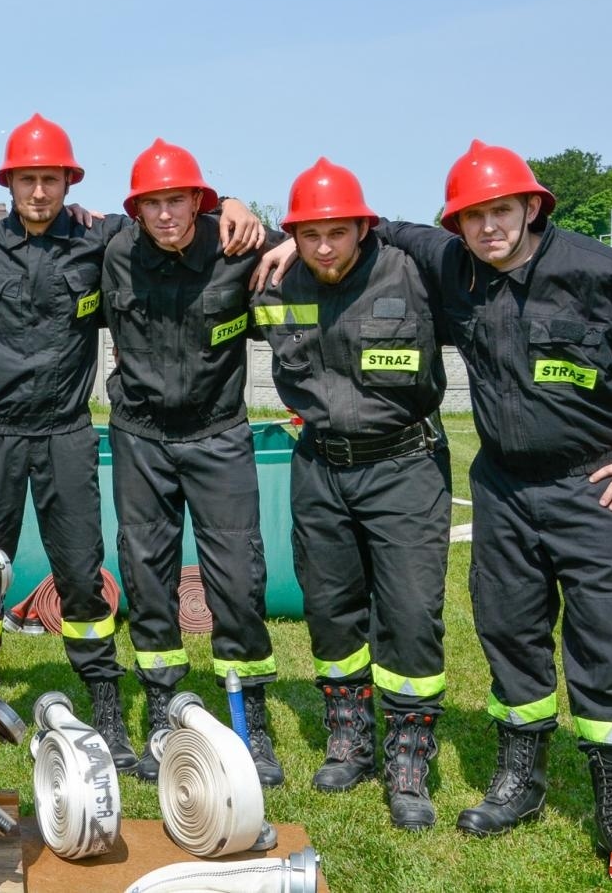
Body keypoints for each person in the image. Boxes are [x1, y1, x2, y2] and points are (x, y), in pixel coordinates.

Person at [379, 140, 612, 886]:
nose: (488, 227)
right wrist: (269, 231)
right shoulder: (453, 266)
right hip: (504, 489)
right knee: (509, 635)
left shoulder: (600, 272)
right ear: (456, 223)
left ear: (532, 207)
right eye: (471, 216)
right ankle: (521, 782)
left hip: (594, 489)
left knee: (603, 649)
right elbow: (373, 227)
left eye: (502, 211)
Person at [0, 115, 264, 771]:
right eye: (26, 180)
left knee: (82, 575)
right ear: (8, 184)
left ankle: (106, 705)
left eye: (50, 180)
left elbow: (167, 211)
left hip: (66, 433)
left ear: (68, 183)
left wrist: (227, 201)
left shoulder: (99, 240)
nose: (38, 192)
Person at [250, 158, 450, 827]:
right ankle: (349, 736)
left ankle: (409, 756)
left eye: (338, 232)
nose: (326, 247)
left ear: (364, 227)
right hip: (321, 466)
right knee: (331, 607)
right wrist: (236, 210)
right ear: (292, 235)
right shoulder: (275, 282)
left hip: (404, 465)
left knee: (411, 612)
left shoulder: (413, 273)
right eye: (310, 234)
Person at [99, 138, 283, 784]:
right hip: (141, 437)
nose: (165, 214)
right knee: (146, 576)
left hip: (218, 435)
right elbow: (52, 230)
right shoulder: (115, 252)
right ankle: (162, 711)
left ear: (200, 202)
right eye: (152, 203)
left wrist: (258, 218)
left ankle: (249, 720)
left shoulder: (239, 245)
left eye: (177, 200)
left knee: (238, 577)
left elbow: (318, 247)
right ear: (136, 210)